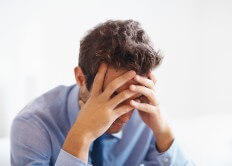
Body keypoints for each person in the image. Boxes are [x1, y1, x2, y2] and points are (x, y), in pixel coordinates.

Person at [11, 20, 195, 166]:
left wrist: (163, 132)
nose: (125, 117)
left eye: (134, 97)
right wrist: (81, 137)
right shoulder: (33, 126)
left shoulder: (144, 118)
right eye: (114, 96)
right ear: (81, 79)